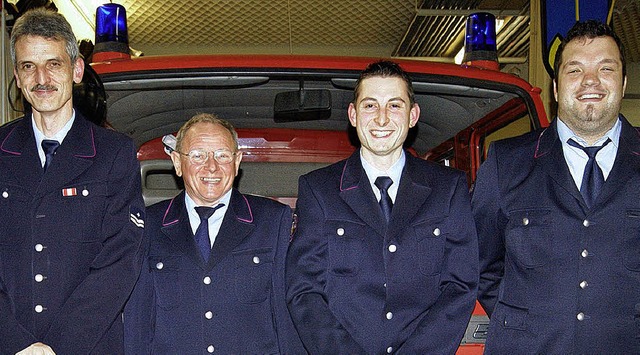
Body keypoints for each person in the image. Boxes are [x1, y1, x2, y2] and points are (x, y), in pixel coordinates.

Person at [286, 60, 478, 354]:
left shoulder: (448, 188)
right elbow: (304, 290)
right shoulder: (319, 190)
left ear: (413, 115)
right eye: (370, 105)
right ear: (353, 114)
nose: (382, 119)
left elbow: (460, 284)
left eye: (395, 105)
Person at [473, 20, 638, 353]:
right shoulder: (506, 163)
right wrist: (524, 321)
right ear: (556, 88)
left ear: (622, 82)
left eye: (605, 68)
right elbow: (478, 264)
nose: (590, 81)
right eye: (575, 70)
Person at [0, 8, 145, 355]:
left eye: (54, 64)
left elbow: (121, 259)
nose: (41, 78)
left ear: (76, 70)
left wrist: (56, 347)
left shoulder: (113, 154)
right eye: (28, 66)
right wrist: (16, 343)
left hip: (87, 346)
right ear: (18, 78)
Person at [124, 113, 304, 354]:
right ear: (177, 163)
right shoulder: (149, 225)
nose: (211, 166)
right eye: (198, 155)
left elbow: (287, 315)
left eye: (222, 155)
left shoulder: (272, 221)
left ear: (237, 161)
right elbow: (138, 321)